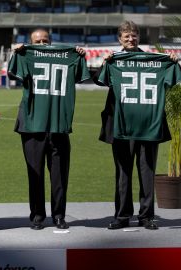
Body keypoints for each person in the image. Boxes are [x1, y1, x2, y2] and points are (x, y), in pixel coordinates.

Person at [94, 21, 180, 230]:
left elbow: (174, 77)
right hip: (121, 126)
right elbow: (99, 80)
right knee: (123, 173)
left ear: (139, 38)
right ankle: (122, 215)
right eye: (126, 36)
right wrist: (105, 63)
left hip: (149, 125)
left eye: (133, 36)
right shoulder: (113, 60)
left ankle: (146, 216)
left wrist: (172, 61)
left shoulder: (156, 61)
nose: (130, 39)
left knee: (147, 172)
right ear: (119, 39)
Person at [8, 28, 90, 230]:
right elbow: (12, 71)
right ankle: (37, 216)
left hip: (58, 124)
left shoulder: (69, 56)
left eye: (45, 40)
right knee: (34, 174)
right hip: (32, 123)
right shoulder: (25, 55)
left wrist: (79, 54)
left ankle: (59, 215)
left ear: (52, 41)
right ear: (30, 43)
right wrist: (16, 52)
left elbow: (82, 74)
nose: (42, 44)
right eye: (38, 41)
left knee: (60, 175)